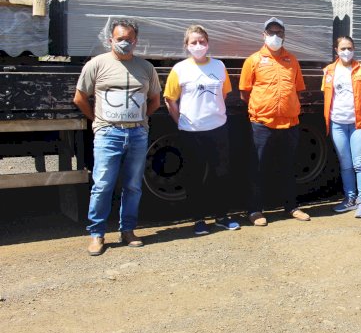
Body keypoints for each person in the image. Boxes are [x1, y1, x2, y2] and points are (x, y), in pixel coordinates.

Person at [73, 19, 161, 256]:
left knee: (133, 185)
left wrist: (140, 121)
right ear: (110, 39)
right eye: (119, 38)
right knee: (102, 185)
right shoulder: (97, 65)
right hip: (108, 133)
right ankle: (97, 234)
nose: (124, 43)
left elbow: (155, 100)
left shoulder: (145, 68)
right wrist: (98, 122)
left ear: (136, 41)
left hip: (137, 134)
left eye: (128, 39)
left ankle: (128, 230)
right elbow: (80, 97)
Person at [163, 25, 240, 235]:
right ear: (187, 46)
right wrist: (181, 122)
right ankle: (198, 219)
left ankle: (222, 217)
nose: (199, 46)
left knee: (221, 174)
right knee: (194, 176)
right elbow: (170, 99)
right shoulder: (180, 69)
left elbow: (223, 94)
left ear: (208, 43)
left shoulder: (219, 66)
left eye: (202, 42)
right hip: (191, 132)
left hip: (218, 129)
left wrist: (213, 113)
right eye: (194, 42)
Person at [239, 17, 310, 226]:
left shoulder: (292, 60)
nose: (275, 36)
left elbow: (297, 89)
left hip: (289, 123)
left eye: (279, 32)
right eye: (271, 32)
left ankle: (291, 207)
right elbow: (245, 92)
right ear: (264, 35)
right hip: (262, 124)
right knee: (258, 167)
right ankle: (254, 210)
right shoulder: (253, 60)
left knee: (288, 167)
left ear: (284, 36)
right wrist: (262, 108)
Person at [321, 36, 361, 218]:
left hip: (358, 123)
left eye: (349, 48)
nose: (346, 52)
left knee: (360, 163)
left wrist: (358, 111)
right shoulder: (329, 71)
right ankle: (350, 199)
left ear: (354, 49)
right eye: (343, 48)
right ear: (336, 50)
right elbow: (328, 96)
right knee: (345, 164)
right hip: (337, 124)